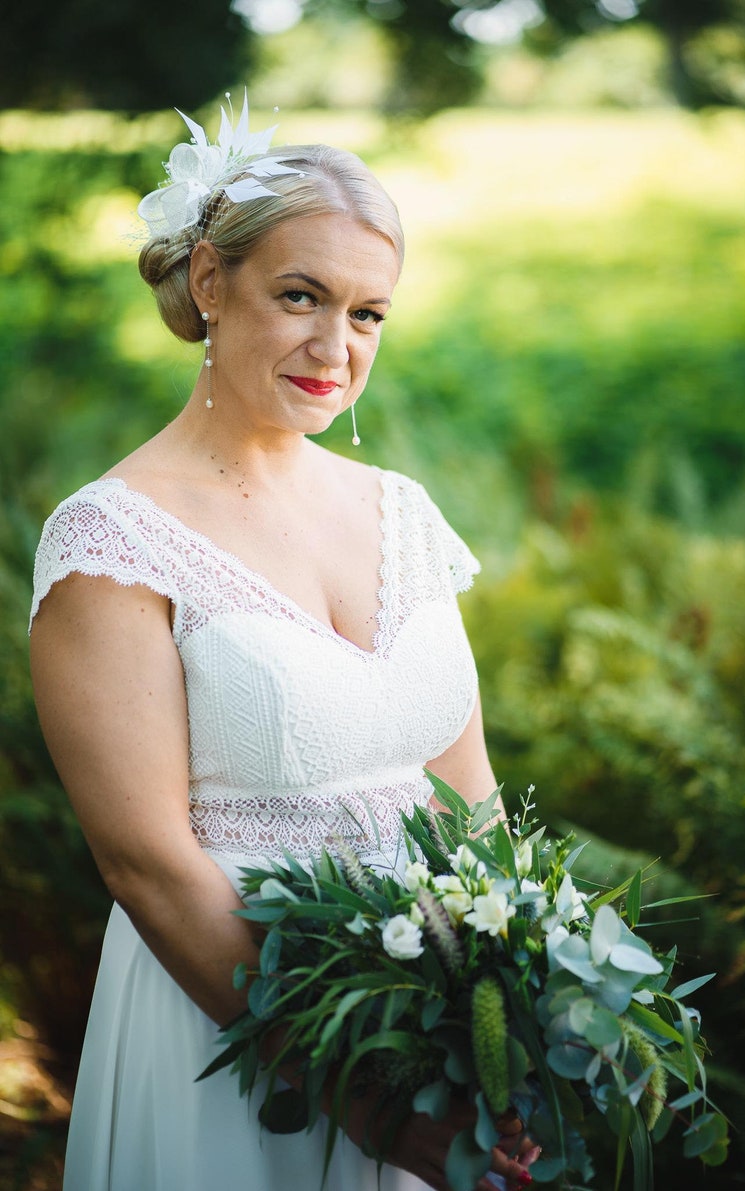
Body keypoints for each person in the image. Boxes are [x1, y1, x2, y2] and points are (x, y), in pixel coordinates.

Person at [29, 95, 536, 1191]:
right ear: (210, 283)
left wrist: (524, 1014)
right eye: (299, 295)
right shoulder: (112, 541)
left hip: (435, 1019)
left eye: (367, 315)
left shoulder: (398, 510)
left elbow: (471, 794)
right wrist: (357, 1097)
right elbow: (147, 863)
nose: (334, 347)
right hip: (235, 1035)